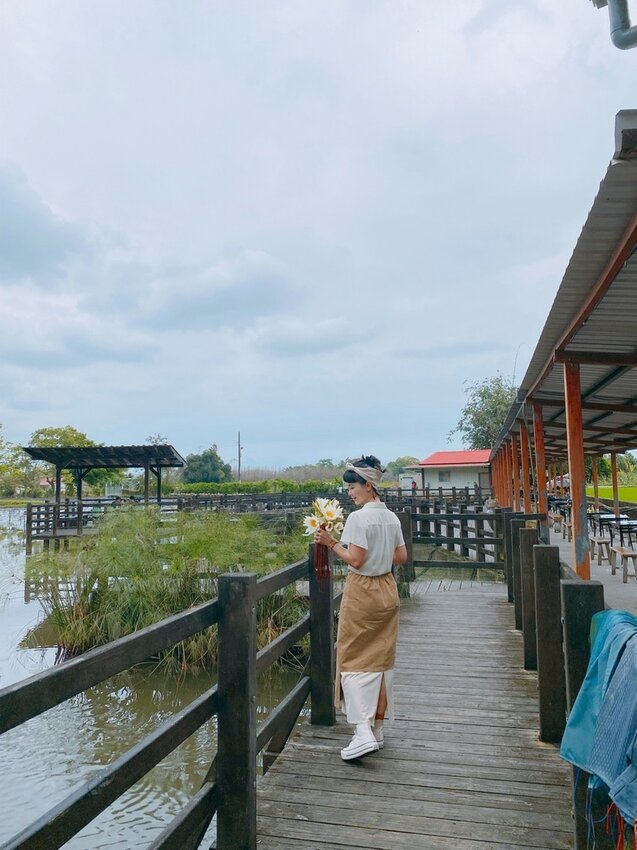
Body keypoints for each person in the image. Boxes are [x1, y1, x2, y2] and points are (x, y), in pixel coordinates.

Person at [315, 455, 408, 760]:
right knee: (381, 660)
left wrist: (331, 543)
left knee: (351, 658)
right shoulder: (391, 517)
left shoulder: (358, 519)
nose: (349, 492)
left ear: (369, 485)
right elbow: (401, 557)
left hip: (363, 592)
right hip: (387, 589)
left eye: (353, 486)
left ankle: (361, 730)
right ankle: (377, 730)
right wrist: (380, 554)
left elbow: (355, 560)